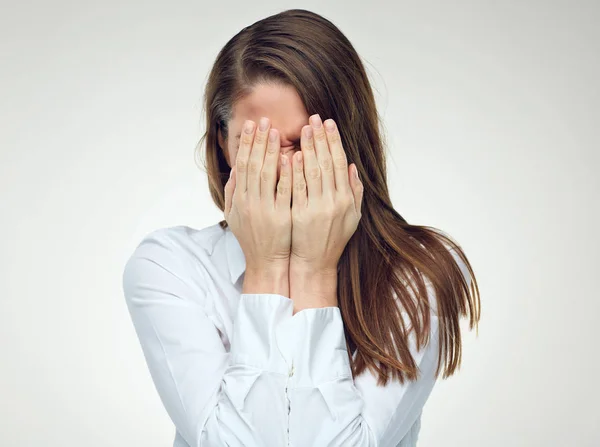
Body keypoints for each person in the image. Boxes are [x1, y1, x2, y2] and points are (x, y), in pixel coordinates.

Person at [122, 8, 481, 447]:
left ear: (349, 141)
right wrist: (268, 267)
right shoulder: (171, 268)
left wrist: (314, 272)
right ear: (223, 142)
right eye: (257, 144)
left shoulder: (415, 277)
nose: (283, 170)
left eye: (301, 144)